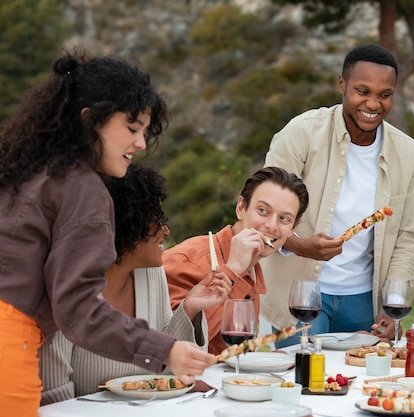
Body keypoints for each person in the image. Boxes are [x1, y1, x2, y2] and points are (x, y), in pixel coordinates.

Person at [0, 49, 216, 415]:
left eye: (145, 131)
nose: (141, 143)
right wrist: (165, 350)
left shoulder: (28, 168)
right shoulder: (83, 190)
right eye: (132, 129)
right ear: (90, 121)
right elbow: (78, 308)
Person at [261, 43, 414, 347]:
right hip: (300, 294)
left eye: (384, 95)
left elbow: (407, 236)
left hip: (363, 301)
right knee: (304, 383)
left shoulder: (408, 153)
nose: (373, 104)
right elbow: (264, 213)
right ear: (342, 85)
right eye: (362, 91)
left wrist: (394, 304)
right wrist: (300, 245)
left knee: (359, 384)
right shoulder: (301, 133)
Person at [39, 163, 232, 404]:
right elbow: (52, 397)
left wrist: (190, 308)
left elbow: (168, 373)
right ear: (124, 226)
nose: (166, 230)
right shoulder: (65, 288)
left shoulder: (151, 272)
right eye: (156, 220)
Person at [164, 166, 309, 355]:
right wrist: (232, 270)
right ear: (241, 208)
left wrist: (261, 362)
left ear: (293, 228)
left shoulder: (253, 266)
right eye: (263, 210)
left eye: (284, 218)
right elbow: (170, 344)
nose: (272, 226)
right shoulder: (189, 260)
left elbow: (231, 352)